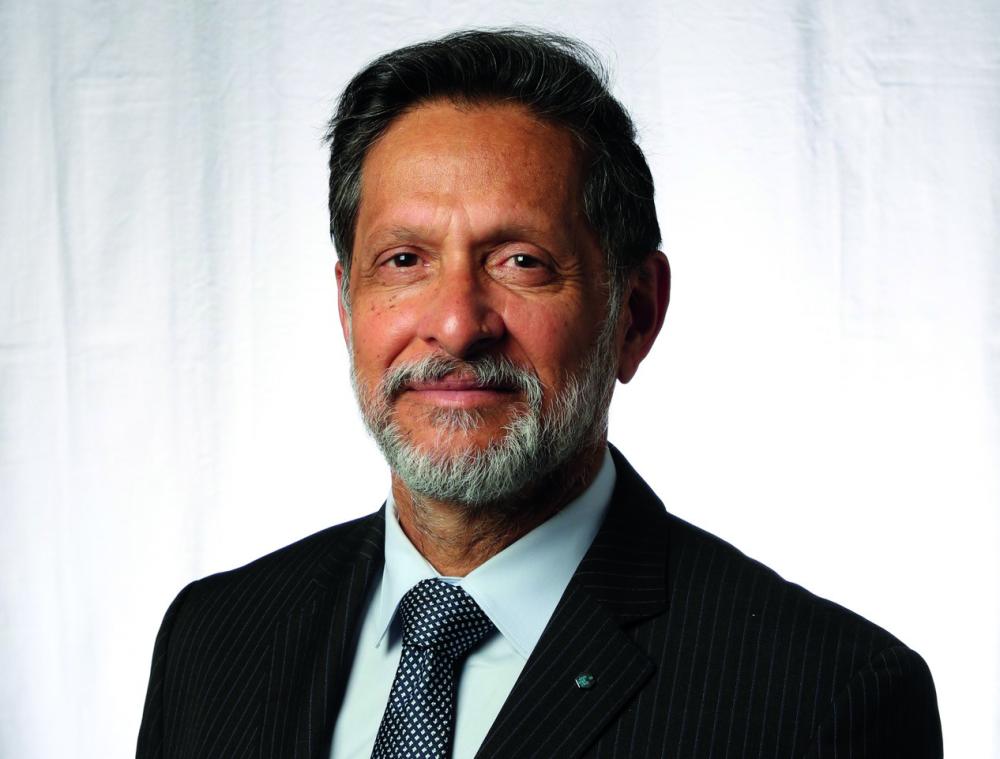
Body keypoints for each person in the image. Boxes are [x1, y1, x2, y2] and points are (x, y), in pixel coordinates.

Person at [136, 29, 942, 759]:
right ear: (348, 310)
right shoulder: (212, 641)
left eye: (521, 261)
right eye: (404, 260)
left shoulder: (823, 698)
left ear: (635, 314)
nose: (457, 325)